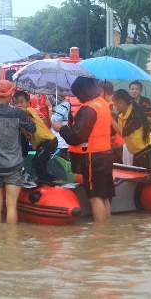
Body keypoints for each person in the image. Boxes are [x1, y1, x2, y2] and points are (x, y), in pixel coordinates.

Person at [52, 77, 114, 222]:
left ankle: (99, 234)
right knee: (104, 196)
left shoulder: (87, 109)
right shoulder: (102, 104)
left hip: (92, 157)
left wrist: (61, 128)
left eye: (77, 94)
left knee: (94, 197)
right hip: (105, 154)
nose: (77, 97)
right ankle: (108, 232)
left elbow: (76, 137)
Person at [0, 80, 36, 224]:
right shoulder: (16, 113)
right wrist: (25, 112)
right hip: (15, 166)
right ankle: (11, 244)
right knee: (11, 206)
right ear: (9, 94)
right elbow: (32, 128)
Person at [12, 90, 61, 186]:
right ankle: (47, 182)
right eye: (15, 103)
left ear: (28, 102)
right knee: (41, 166)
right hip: (42, 144)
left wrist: (10, 107)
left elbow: (23, 111)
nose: (18, 105)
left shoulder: (30, 110)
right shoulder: (21, 118)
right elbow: (21, 125)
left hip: (48, 141)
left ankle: (54, 180)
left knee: (36, 162)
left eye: (21, 102)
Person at [111, 89, 151, 168]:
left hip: (146, 151)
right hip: (135, 153)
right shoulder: (120, 115)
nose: (114, 106)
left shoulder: (135, 114)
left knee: (148, 177)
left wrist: (110, 118)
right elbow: (112, 131)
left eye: (115, 104)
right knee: (138, 176)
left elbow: (123, 132)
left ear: (121, 102)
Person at [99, 80, 124, 164]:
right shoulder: (119, 104)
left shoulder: (111, 106)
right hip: (111, 144)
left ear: (101, 92)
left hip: (114, 145)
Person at [50, 94, 71, 160]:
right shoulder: (58, 104)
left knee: (59, 167)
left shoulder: (65, 104)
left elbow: (54, 120)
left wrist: (49, 107)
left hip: (60, 142)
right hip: (54, 141)